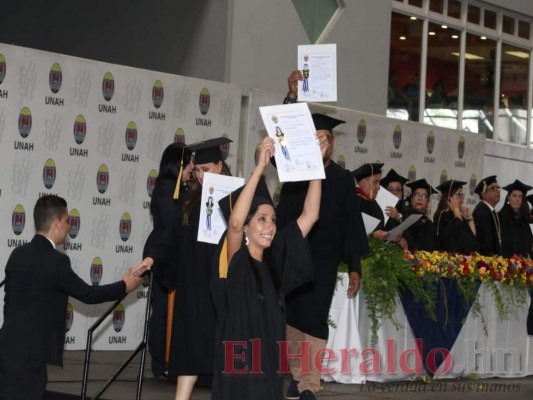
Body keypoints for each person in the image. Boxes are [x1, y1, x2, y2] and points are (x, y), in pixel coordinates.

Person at [0, 195, 142, 400]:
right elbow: (88, 294)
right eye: (68, 221)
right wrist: (124, 286)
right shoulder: (57, 261)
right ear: (56, 223)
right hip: (32, 356)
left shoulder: (17, 254)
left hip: (6, 348)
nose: (69, 227)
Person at [211, 137, 321, 400]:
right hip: (238, 369)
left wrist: (315, 166)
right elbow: (235, 224)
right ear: (248, 225)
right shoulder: (235, 258)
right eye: (261, 219)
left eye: (272, 219)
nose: (270, 225)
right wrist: (260, 167)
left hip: (268, 368)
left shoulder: (276, 259)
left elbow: (310, 216)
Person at [277, 91, 368, 399]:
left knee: (315, 317)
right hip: (293, 254)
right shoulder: (295, 173)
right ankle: (297, 373)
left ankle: (309, 384)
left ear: (333, 143)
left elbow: (351, 224)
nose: (321, 142)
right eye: (315, 137)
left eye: (326, 137)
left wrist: (354, 265)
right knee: (292, 317)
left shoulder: (343, 180)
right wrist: (290, 97)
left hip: (324, 259)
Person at [135, 137, 232, 400]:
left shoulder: (236, 198)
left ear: (221, 166)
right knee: (188, 347)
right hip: (193, 286)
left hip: (223, 285)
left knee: (225, 354)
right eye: (198, 170)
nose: (200, 176)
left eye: (207, 169)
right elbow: (170, 237)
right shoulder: (190, 201)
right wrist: (153, 258)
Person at [143, 142, 193, 379]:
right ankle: (160, 361)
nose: (193, 167)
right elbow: (173, 221)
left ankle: (172, 359)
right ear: (179, 163)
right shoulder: (165, 187)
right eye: (190, 162)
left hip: (180, 256)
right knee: (162, 310)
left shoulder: (183, 188)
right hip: (164, 256)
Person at [434, 180, 477, 254]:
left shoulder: (458, 216)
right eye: (458, 194)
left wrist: (470, 218)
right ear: (449, 198)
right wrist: (456, 211)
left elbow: (471, 239)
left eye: (462, 194)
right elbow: (458, 239)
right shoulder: (443, 215)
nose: (462, 197)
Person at [352, 162, 388, 241]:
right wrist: (372, 235)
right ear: (364, 182)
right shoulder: (352, 202)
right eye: (375, 182)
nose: (379, 187)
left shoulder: (374, 203)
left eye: (379, 182)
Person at [498, 180, 533, 258]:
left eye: (520, 196)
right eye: (514, 195)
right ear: (508, 197)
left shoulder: (526, 219)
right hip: (506, 263)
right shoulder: (500, 217)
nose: (517, 199)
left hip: (526, 264)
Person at [403, 179, 437, 252]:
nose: (420, 198)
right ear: (411, 199)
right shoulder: (404, 217)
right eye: (417, 194)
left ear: (428, 202)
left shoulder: (429, 223)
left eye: (424, 196)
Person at [472, 175, 502, 256]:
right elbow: (485, 243)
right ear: (483, 193)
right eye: (493, 188)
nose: (497, 191)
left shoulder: (490, 211)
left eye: (498, 188)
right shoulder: (482, 212)